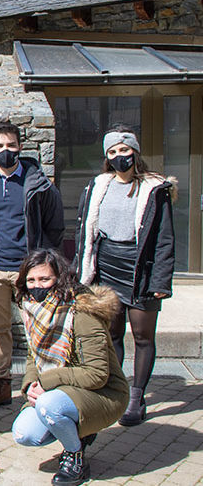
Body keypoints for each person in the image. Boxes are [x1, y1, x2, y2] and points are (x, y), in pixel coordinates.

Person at [74, 128, 174, 427]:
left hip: (140, 266)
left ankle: (137, 397)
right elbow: (85, 230)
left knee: (142, 335)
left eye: (124, 150)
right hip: (108, 264)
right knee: (112, 333)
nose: (119, 156)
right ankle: (115, 390)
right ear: (107, 157)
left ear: (135, 152)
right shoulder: (98, 186)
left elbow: (165, 238)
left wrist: (160, 281)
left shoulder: (155, 189)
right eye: (113, 152)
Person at [0, 120, 65, 408]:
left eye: (10, 145)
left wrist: (44, 263)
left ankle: (41, 384)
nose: (5, 151)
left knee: (40, 327)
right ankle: (2, 382)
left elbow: (54, 225)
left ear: (20, 147)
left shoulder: (38, 184)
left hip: (30, 271)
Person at [11, 249, 128, 486]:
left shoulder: (81, 312)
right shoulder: (33, 309)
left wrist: (46, 382)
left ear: (60, 279)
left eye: (45, 279)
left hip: (104, 392)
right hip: (60, 389)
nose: (37, 286)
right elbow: (35, 356)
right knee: (24, 434)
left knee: (49, 405)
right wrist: (31, 384)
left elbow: (96, 374)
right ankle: (79, 430)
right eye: (31, 280)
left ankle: (75, 458)